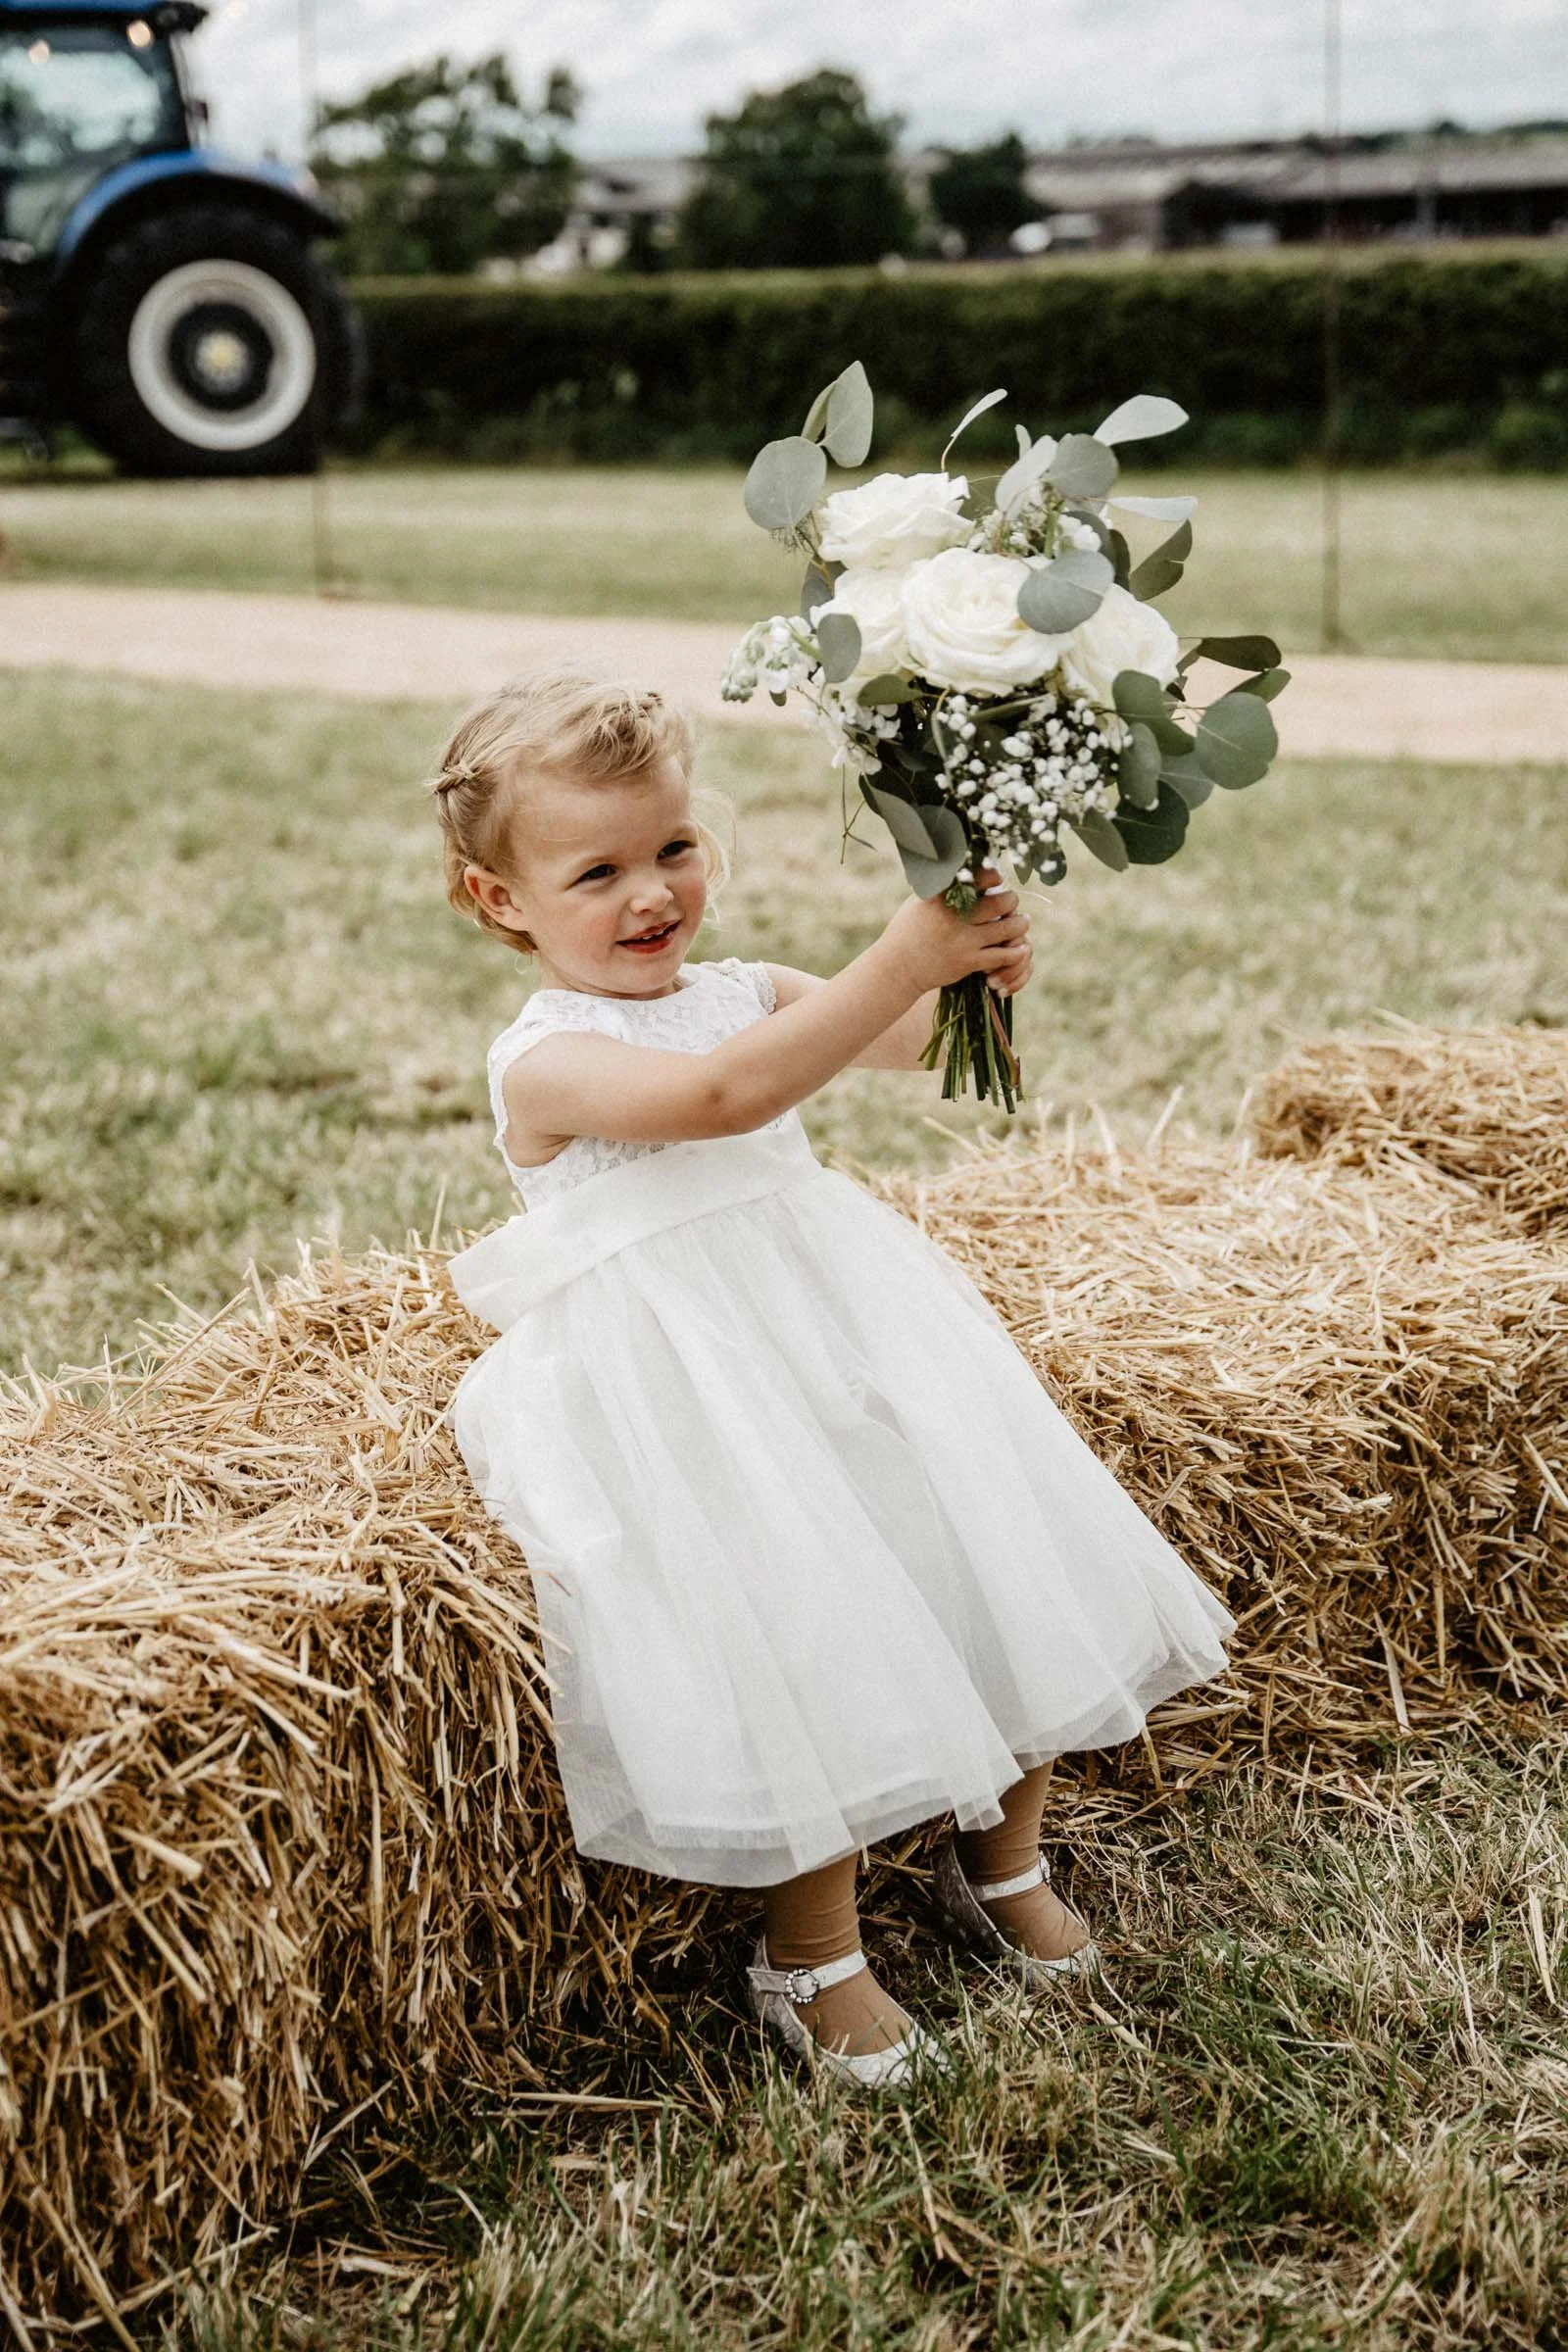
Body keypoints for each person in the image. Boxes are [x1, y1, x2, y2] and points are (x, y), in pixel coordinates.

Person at [431, 665, 1235, 2090]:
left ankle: (1004, 1860)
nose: (650, 893)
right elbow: (724, 1099)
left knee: (985, 1540)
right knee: (800, 1614)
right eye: (597, 869)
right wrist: (896, 958)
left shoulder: (748, 987)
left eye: (675, 848)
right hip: (691, 1378)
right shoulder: (543, 1060)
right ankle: (809, 1951)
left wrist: (976, 970)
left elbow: (914, 1041)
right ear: (499, 901)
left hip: (843, 1317)